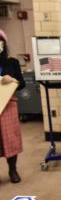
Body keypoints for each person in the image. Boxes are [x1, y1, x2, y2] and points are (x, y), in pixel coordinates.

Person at [0, 29, 25, 183]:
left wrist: (13, 80)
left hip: (8, 106)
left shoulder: (12, 62)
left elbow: (22, 83)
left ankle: (12, 170)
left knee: (10, 139)